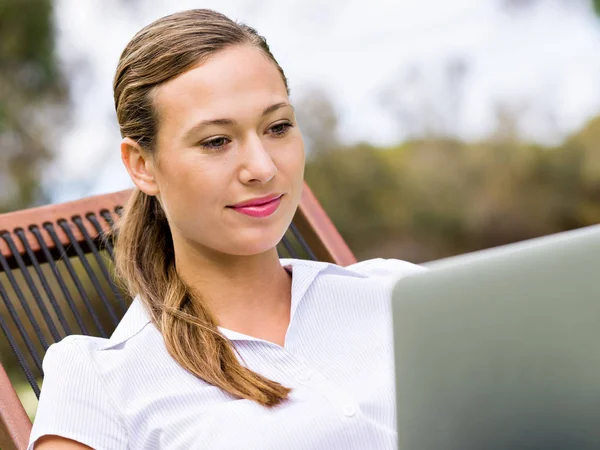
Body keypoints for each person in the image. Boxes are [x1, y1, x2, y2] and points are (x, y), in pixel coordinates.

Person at [29, 9, 424, 450]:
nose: (262, 167)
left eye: (278, 127)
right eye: (216, 141)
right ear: (142, 166)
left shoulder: (399, 292)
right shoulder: (101, 379)